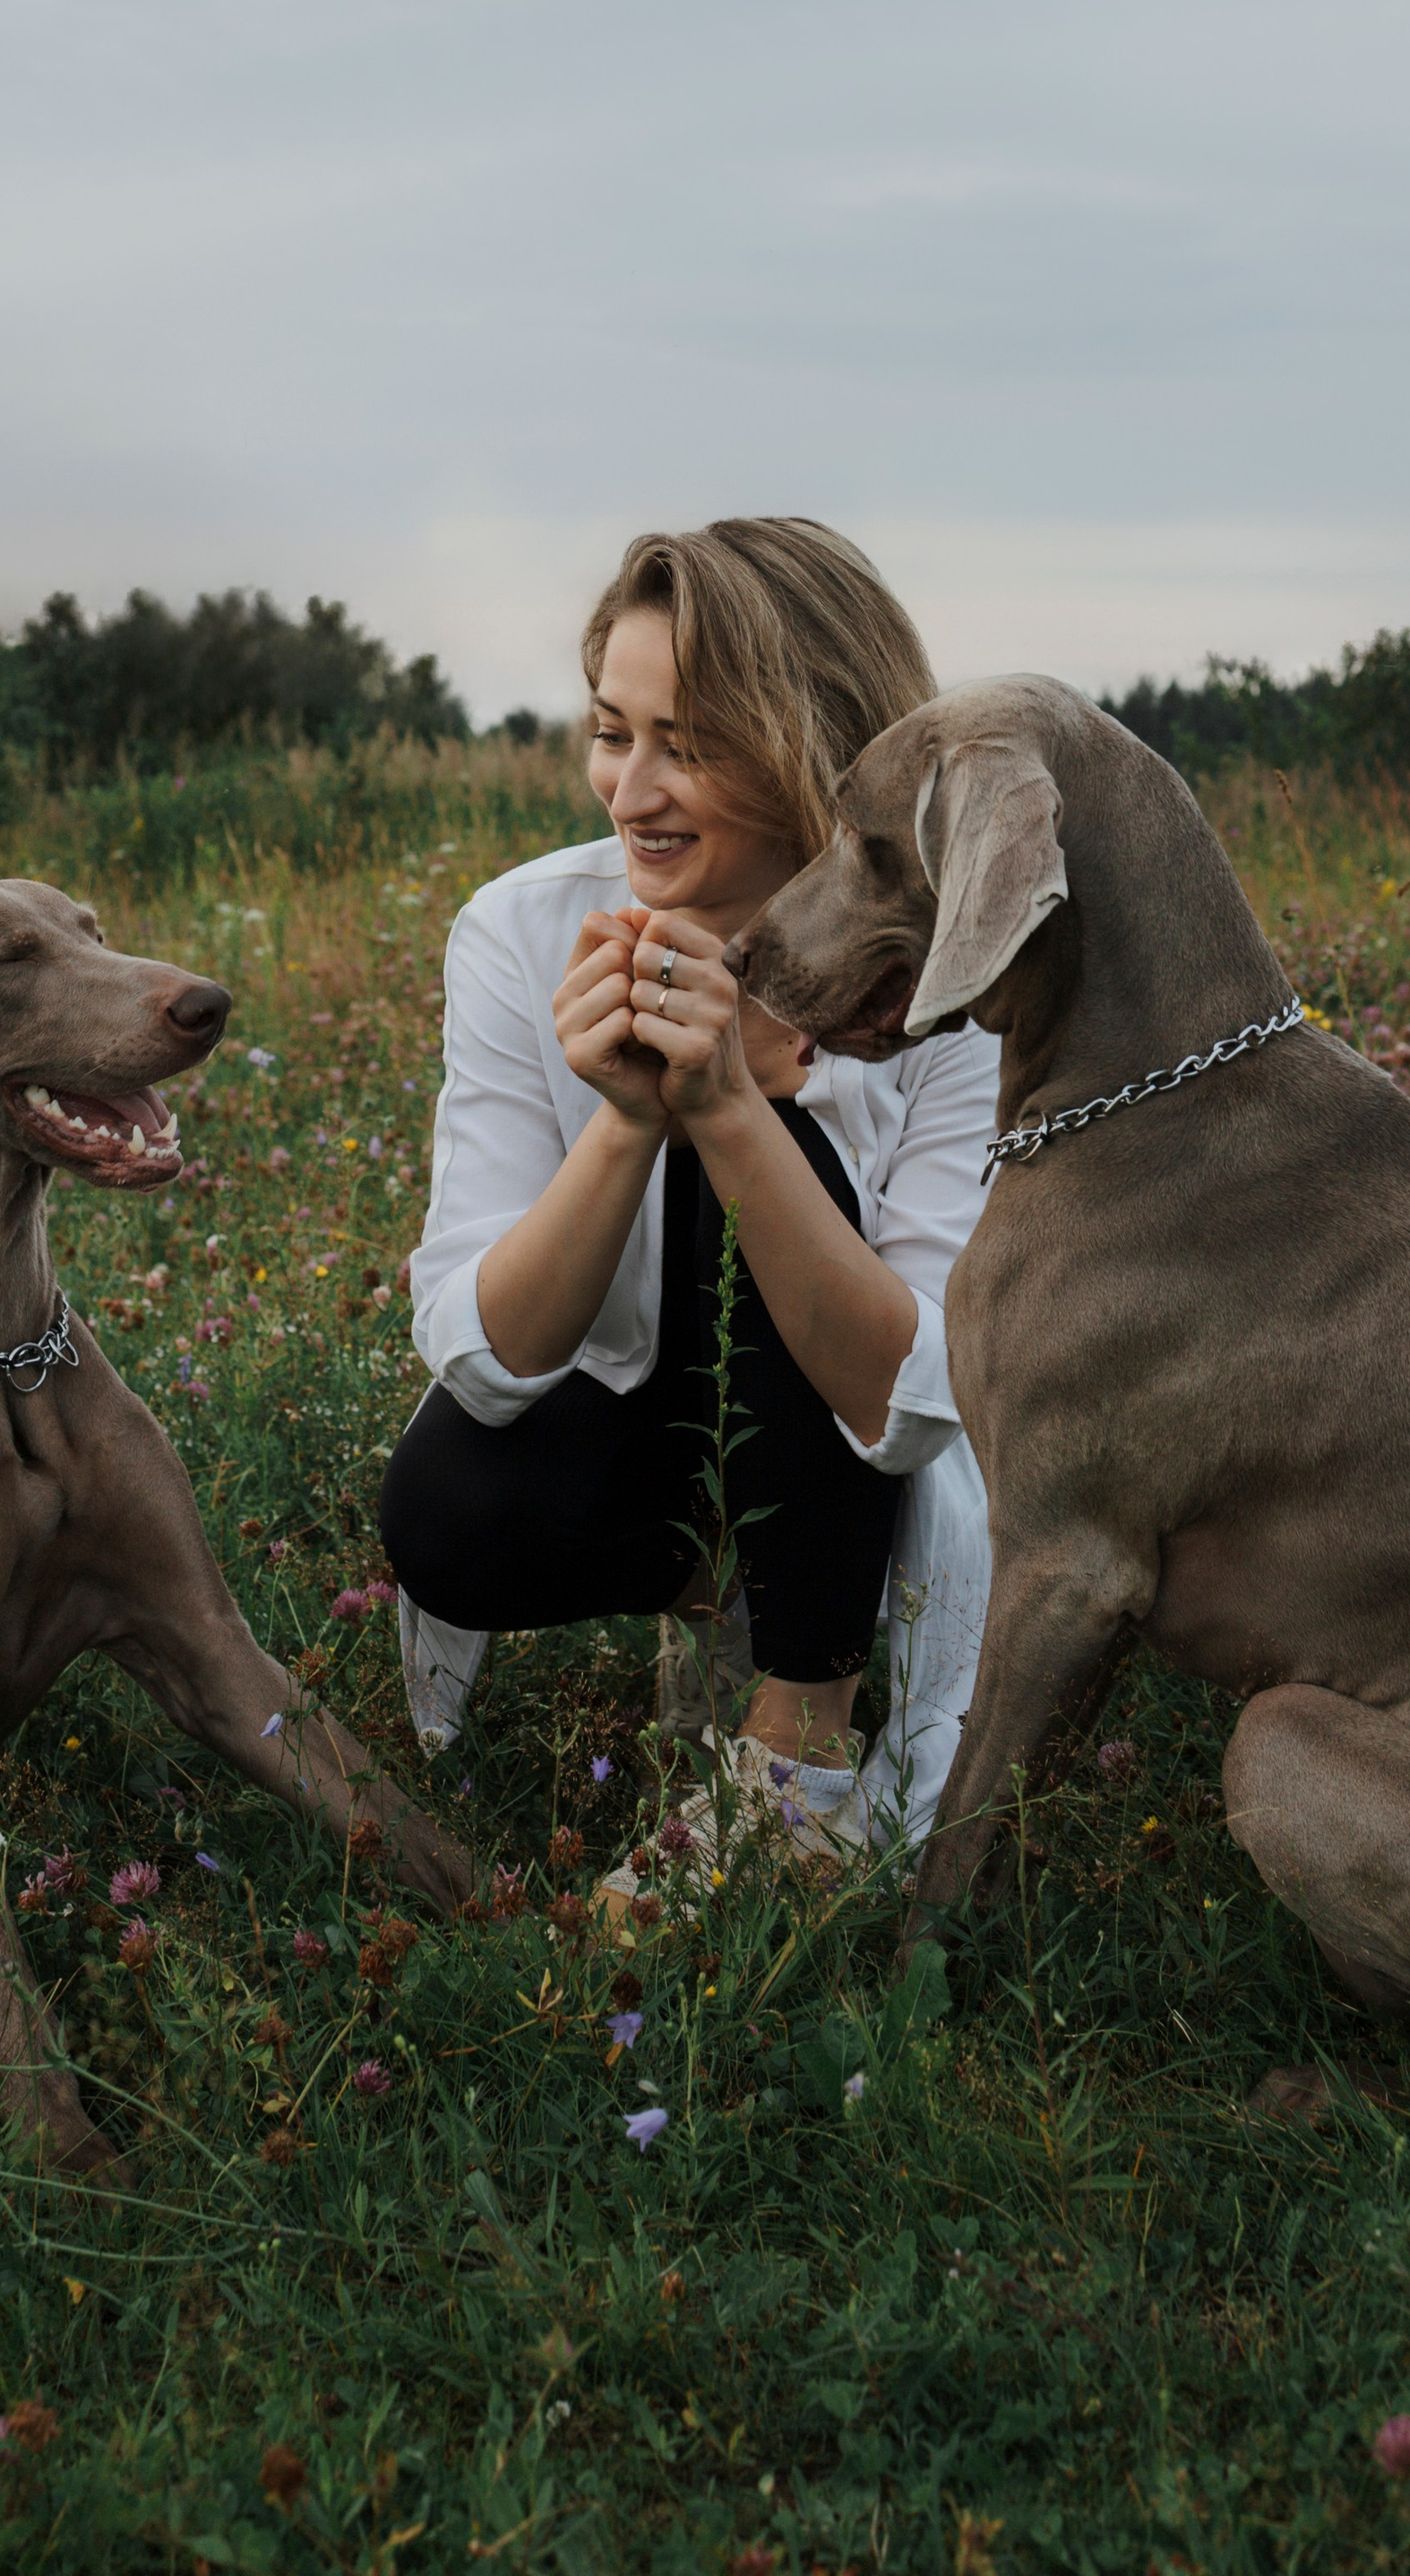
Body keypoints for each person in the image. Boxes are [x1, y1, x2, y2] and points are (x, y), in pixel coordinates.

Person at [379, 515, 997, 1862]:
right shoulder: (523, 929)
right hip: (643, 1435)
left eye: (692, 745)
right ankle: (737, 1581)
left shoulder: (958, 984)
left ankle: (800, 1751)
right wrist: (627, 1122)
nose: (630, 791)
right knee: (443, 1509)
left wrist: (739, 1109)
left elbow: (908, 1406)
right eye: (614, 731)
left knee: (775, 1163)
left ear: (815, 750)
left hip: (865, 1446)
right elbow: (487, 1363)